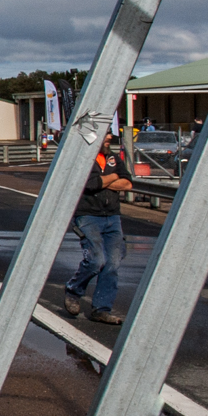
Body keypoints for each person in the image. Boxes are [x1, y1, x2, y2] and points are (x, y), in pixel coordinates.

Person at [63, 130, 131, 323]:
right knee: (96, 260)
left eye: (110, 134)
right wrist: (113, 177)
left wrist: (104, 181)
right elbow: (90, 185)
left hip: (112, 216)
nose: (110, 137)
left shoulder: (113, 158)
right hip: (88, 216)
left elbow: (127, 184)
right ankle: (73, 290)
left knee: (112, 264)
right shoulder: (84, 158)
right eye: (106, 134)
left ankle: (101, 309)